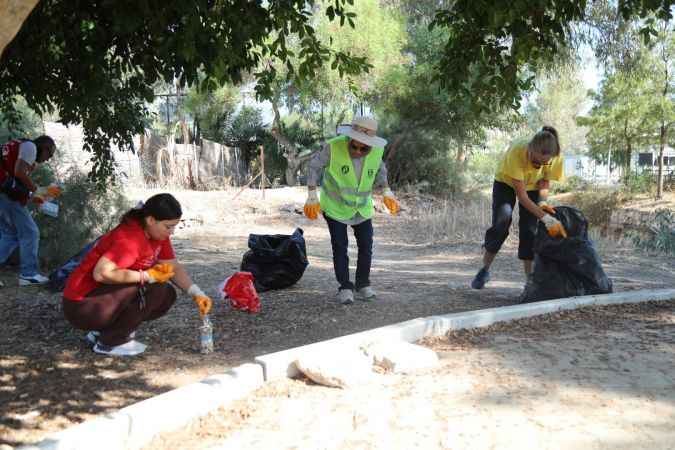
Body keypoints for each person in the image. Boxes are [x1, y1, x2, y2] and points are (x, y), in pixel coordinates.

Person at [62, 193, 213, 356]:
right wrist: (147, 276)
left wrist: (197, 293)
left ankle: (102, 333)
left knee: (166, 294)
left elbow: (172, 267)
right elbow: (101, 273)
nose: (172, 232)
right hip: (81, 307)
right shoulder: (130, 238)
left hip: (99, 300)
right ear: (150, 220)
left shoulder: (158, 235)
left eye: (174, 226)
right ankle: (111, 342)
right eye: (168, 226)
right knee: (154, 288)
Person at [304, 116, 400, 305]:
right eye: (354, 146)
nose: (357, 151)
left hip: (362, 208)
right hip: (335, 207)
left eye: (363, 149)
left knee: (366, 246)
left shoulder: (377, 150)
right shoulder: (333, 146)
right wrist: (311, 193)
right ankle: (345, 287)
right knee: (340, 248)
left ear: (370, 145)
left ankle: (363, 284)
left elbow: (380, 169)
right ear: (349, 139)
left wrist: (387, 190)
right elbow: (314, 167)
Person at [471, 126, 566, 293]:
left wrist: (542, 203)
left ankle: (529, 281)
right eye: (535, 161)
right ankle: (484, 270)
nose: (538, 165)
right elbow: (522, 197)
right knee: (502, 222)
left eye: (543, 163)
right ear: (530, 149)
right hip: (506, 182)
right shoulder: (517, 152)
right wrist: (547, 219)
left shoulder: (556, 156)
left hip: (533, 186)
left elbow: (544, 181)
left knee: (529, 229)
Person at [0, 135, 60, 286]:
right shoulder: (30, 147)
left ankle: (28, 274)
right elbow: (19, 172)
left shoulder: (20, 145)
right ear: (44, 147)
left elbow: (15, 177)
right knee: (30, 232)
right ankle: (28, 274)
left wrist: (31, 195)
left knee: (10, 235)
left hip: (4, 191)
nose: (48, 159)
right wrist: (37, 191)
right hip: (5, 193)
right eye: (49, 154)